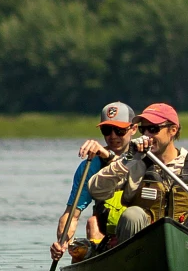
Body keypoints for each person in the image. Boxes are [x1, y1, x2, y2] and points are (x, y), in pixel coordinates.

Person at [88, 102, 188, 244]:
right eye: (143, 130)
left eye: (153, 129)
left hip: (186, 248)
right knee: (132, 214)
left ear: (173, 130)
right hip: (143, 249)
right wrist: (128, 160)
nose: (146, 135)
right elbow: (97, 190)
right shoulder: (135, 163)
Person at [50, 101, 137, 260]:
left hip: (141, 232)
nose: (113, 136)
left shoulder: (146, 157)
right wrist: (61, 243)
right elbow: (72, 215)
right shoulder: (91, 165)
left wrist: (107, 156)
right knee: (92, 224)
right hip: (108, 237)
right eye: (107, 130)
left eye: (119, 130)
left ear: (134, 129)